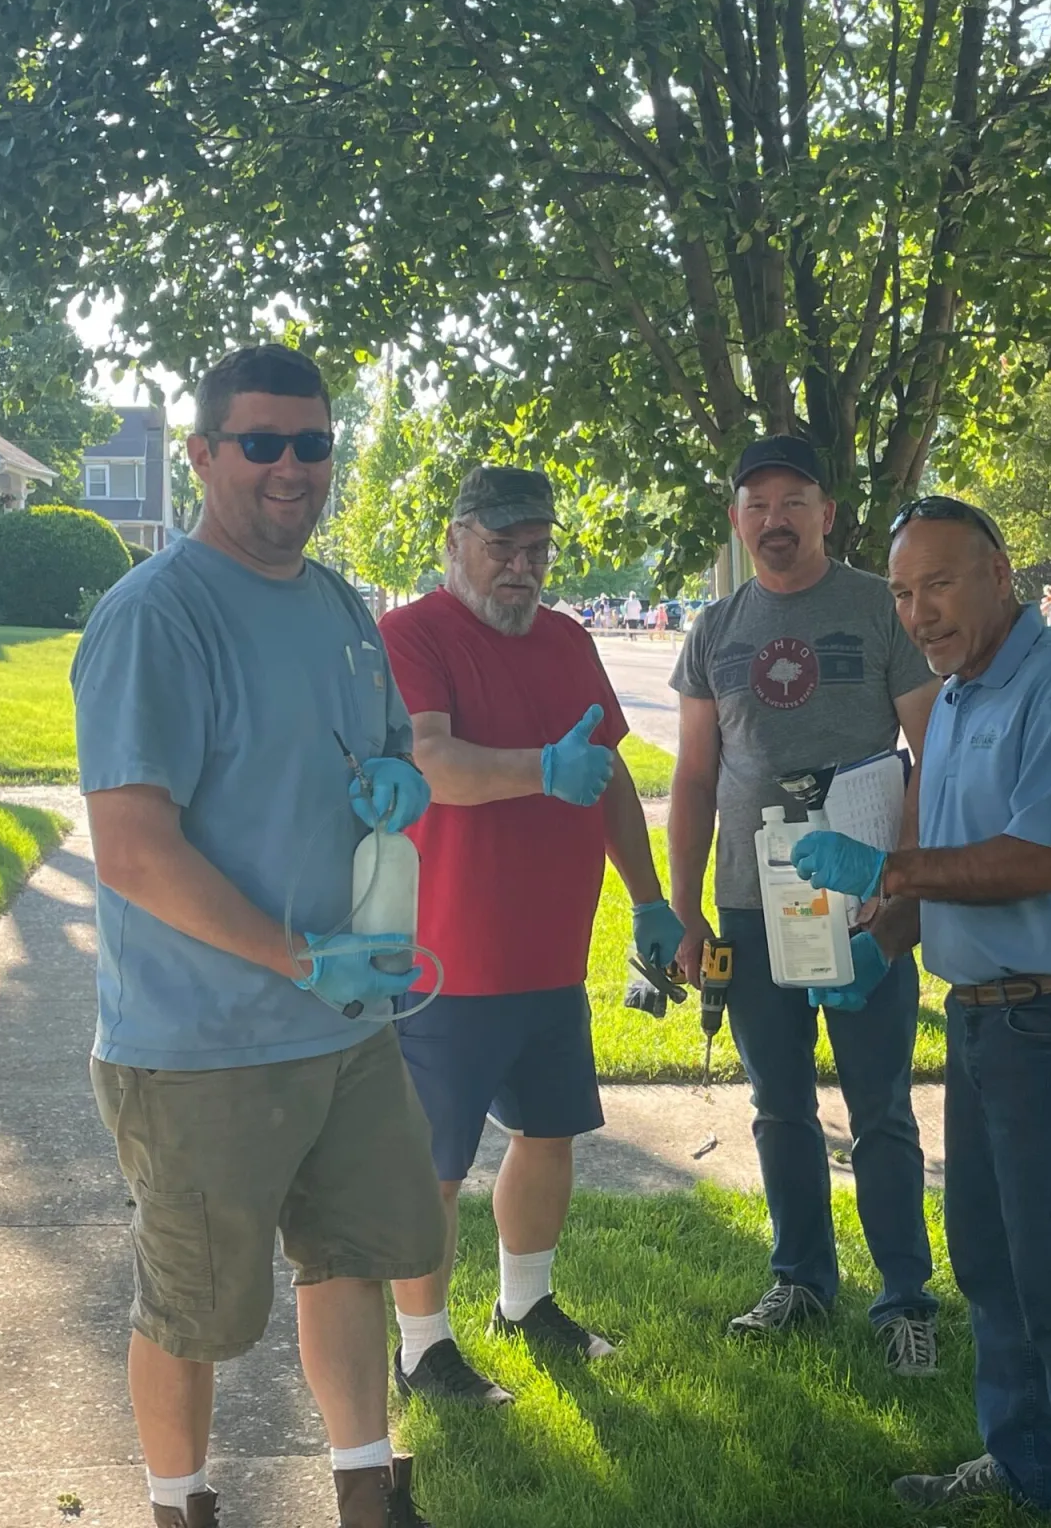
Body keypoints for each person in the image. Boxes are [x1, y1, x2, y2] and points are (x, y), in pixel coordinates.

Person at [72, 346, 447, 1528]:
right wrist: (297, 956)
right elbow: (132, 848)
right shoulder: (155, 615)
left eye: (314, 443)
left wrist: (400, 786)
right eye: (262, 443)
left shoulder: (341, 604)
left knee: (351, 1258)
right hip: (199, 1046)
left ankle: (367, 1496)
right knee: (190, 1310)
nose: (293, 468)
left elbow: (391, 753)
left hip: (344, 1025)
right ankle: (180, 1506)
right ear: (201, 456)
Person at [791, 494, 1051, 1528]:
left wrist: (887, 867)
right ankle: (1026, 1464)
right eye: (903, 594)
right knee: (990, 1267)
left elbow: (1042, 859)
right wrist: (879, 943)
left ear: (998, 573)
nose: (919, 612)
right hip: (984, 1020)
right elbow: (952, 871)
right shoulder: (952, 699)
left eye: (938, 583)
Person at [379, 466, 682, 1407]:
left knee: (549, 1134)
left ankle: (525, 1304)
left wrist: (649, 899)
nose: (522, 565)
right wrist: (543, 771)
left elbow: (616, 780)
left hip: (550, 953)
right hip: (447, 957)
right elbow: (428, 759)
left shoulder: (566, 639)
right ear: (455, 541)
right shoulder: (411, 634)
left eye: (537, 548)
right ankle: (422, 1347)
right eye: (502, 545)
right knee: (433, 1162)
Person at [667, 434, 942, 1374]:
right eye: (756, 505)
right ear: (736, 521)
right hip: (753, 907)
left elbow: (929, 753)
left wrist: (900, 889)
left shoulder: (878, 607)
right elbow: (695, 777)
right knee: (778, 1106)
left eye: (794, 502)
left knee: (882, 1111)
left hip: (864, 905)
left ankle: (905, 1299)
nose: (774, 521)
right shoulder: (714, 631)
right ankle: (801, 1280)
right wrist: (685, 909)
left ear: (827, 513)